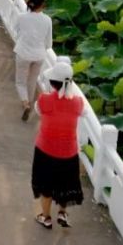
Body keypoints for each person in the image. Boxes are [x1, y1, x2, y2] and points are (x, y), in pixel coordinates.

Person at [32, 62, 85, 229]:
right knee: (65, 184)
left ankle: (46, 217)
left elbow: (38, 110)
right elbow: (84, 113)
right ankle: (62, 213)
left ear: (53, 82)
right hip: (69, 152)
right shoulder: (78, 103)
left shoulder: (44, 100)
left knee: (46, 186)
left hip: (46, 150)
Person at [15, 0, 53, 121]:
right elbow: (48, 43)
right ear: (42, 5)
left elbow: (17, 32)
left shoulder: (21, 17)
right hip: (39, 55)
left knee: (20, 81)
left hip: (23, 53)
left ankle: (25, 103)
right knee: (32, 80)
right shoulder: (47, 19)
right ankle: (30, 102)